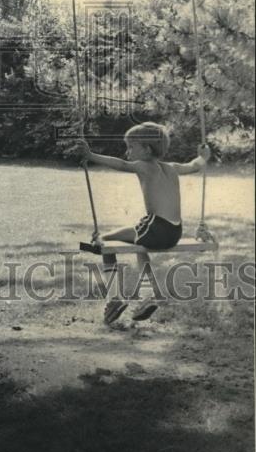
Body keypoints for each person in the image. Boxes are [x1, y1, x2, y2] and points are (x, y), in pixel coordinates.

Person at [77, 122, 210, 323]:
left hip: (156, 228)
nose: (127, 151)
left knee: (105, 242)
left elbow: (121, 165)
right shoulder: (172, 168)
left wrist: (91, 156)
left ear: (147, 149)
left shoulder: (143, 166)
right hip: (174, 232)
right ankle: (150, 294)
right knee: (141, 248)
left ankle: (114, 299)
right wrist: (203, 157)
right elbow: (194, 166)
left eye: (131, 147)